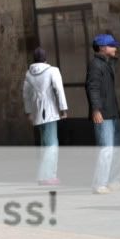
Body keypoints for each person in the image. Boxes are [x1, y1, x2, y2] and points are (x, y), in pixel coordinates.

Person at [22, 48, 67, 186]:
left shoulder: (28, 74)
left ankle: (44, 176)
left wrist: (29, 112)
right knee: (52, 144)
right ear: (45, 58)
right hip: (50, 112)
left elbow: (25, 95)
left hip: (37, 113)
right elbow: (59, 90)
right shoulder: (52, 70)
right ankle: (47, 176)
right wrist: (63, 108)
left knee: (44, 144)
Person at [86, 33, 120, 194]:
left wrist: (113, 55)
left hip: (113, 113)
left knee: (117, 149)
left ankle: (113, 181)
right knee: (106, 149)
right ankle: (99, 183)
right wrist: (96, 109)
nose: (116, 48)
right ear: (102, 48)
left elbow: (115, 61)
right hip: (104, 114)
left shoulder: (106, 63)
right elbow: (92, 87)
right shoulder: (95, 65)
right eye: (112, 45)